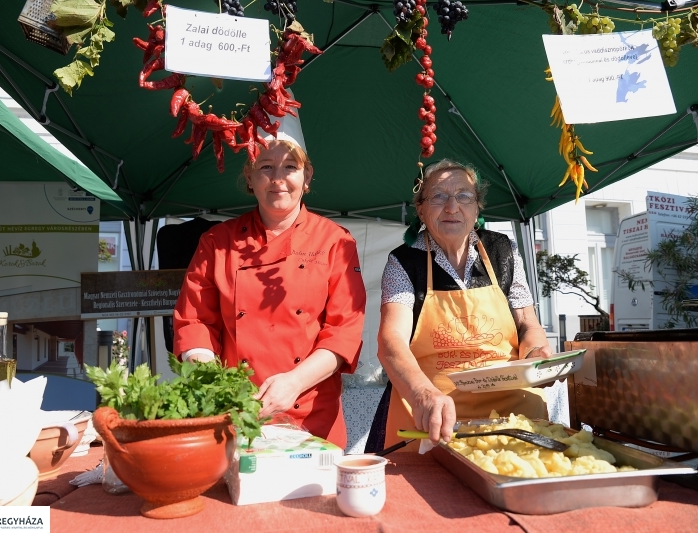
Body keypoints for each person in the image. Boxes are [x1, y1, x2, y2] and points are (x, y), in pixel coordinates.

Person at [173, 114, 366, 449]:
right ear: (249, 177)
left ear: (307, 177)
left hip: (310, 415)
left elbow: (344, 332)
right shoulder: (216, 242)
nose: (278, 179)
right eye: (265, 167)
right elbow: (195, 321)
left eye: (290, 167)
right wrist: (219, 387)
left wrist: (293, 383)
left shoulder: (336, 241)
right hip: (236, 413)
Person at [369, 159, 552, 453]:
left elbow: (528, 324)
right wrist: (422, 395)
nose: (452, 207)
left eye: (464, 196)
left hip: (512, 411)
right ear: (421, 209)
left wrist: (535, 355)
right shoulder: (403, 262)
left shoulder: (504, 252)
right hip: (436, 415)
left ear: (477, 207)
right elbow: (391, 341)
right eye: (439, 196)